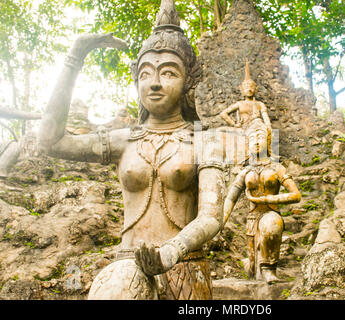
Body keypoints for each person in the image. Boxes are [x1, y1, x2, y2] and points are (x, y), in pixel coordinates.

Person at [38, 0, 225, 300]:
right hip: (125, 271)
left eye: (168, 73)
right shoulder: (124, 140)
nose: (154, 84)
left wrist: (172, 250)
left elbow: (211, 217)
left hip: (183, 268)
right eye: (146, 73)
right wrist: (75, 57)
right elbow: (51, 142)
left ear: (189, 80)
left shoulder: (204, 139)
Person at [223, 118, 300, 283]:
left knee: (272, 225)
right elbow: (230, 198)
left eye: (260, 137)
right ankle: (251, 266)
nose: (256, 142)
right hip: (252, 219)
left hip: (271, 212)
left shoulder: (277, 168)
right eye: (252, 138)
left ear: (268, 141)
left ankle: (269, 269)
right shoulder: (245, 172)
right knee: (252, 267)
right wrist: (221, 220)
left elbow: (296, 195)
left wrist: (268, 198)